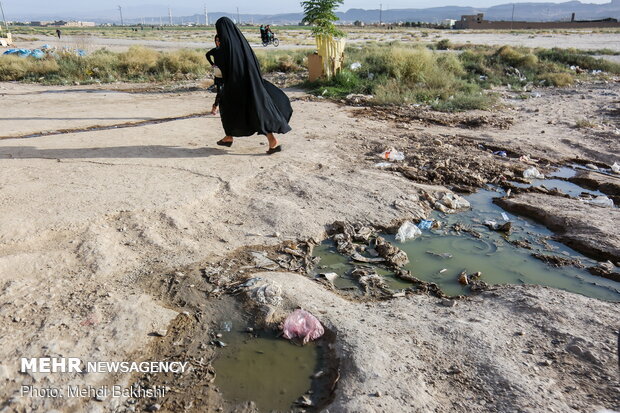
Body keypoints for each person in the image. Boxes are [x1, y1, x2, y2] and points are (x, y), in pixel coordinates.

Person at [214, 17, 292, 154]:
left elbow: (222, 71)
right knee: (255, 110)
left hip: (236, 87)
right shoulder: (242, 45)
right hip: (252, 84)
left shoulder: (225, 50)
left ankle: (269, 140)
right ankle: (229, 137)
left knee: (231, 110)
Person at [205, 35, 223, 115]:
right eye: (216, 40)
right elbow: (207, 55)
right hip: (218, 75)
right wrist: (212, 64)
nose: (217, 42)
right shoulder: (215, 50)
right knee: (219, 92)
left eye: (219, 40)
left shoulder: (227, 51)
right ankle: (215, 106)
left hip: (227, 75)